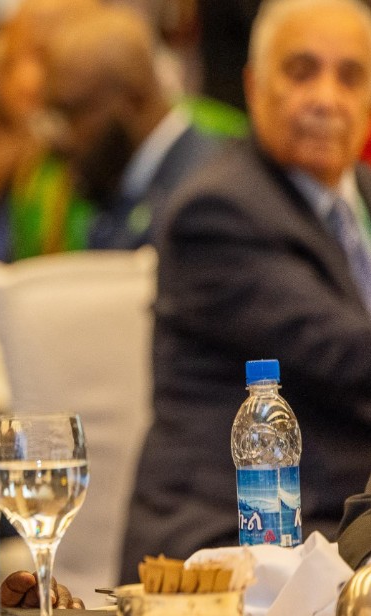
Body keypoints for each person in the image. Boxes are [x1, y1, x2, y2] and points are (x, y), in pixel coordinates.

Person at [121, 0, 371, 583]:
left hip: (344, 523)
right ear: (255, 86)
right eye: (301, 71)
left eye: (351, 76)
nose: (326, 99)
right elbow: (349, 353)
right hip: (237, 537)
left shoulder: (359, 195)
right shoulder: (218, 210)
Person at [43, 4, 225, 250]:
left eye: (74, 113)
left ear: (132, 98)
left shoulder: (202, 193)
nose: (62, 138)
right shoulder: (126, 183)